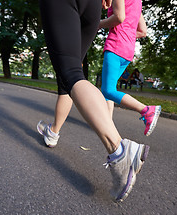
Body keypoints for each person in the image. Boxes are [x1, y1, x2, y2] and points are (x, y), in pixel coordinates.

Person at [37, 0, 150, 202]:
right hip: (93, 6)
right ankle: (53, 132)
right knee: (71, 74)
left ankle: (120, 151)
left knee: (70, 73)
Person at [99, 0, 161, 134]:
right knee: (110, 89)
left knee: (107, 90)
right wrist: (127, 33)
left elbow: (119, 17)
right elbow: (143, 31)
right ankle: (108, 125)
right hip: (127, 51)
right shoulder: (137, 2)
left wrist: (98, 24)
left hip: (115, 46)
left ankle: (146, 110)